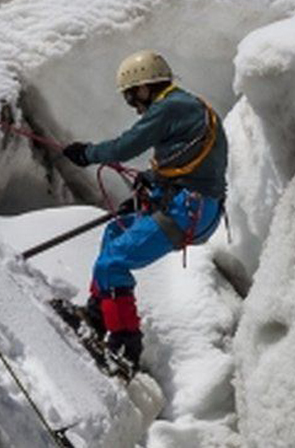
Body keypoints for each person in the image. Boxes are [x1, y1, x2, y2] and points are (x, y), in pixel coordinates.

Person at [61, 50, 228, 368]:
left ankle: (126, 348)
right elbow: (186, 162)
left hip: (187, 209)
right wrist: (151, 182)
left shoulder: (170, 107)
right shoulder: (188, 107)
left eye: (131, 96)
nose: (134, 105)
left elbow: (127, 145)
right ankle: (98, 317)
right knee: (116, 230)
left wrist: (87, 153)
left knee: (113, 263)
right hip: (193, 207)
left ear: (144, 88)